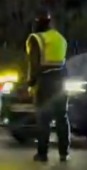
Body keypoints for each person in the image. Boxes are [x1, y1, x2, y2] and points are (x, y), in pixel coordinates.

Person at [26, 10, 71, 162]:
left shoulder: (37, 39)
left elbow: (34, 63)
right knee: (61, 118)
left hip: (45, 81)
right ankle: (64, 152)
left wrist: (31, 81)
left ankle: (42, 153)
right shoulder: (60, 39)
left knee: (43, 119)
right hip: (61, 80)